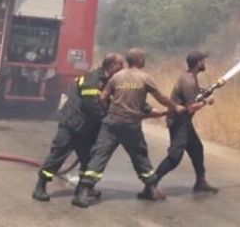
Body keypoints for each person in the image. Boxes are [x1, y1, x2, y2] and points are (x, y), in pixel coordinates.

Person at [72, 47, 186, 208]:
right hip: (131, 125)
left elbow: (103, 98)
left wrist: (108, 113)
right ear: (139, 60)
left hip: (111, 123)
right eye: (144, 58)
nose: (145, 60)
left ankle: (83, 192)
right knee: (140, 156)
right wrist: (175, 107)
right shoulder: (145, 78)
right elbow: (161, 97)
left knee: (99, 156)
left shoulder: (116, 77)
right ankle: (151, 189)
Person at [32, 52, 126, 202]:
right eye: (121, 64)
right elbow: (92, 105)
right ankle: (40, 188)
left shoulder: (109, 80)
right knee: (57, 156)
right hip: (72, 124)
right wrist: (106, 122)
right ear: (113, 65)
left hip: (87, 128)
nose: (123, 68)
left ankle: (83, 189)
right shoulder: (93, 79)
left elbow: (122, 99)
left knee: (88, 160)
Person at [152, 51, 220, 194]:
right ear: (198, 63)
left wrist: (208, 91)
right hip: (178, 122)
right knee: (175, 156)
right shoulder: (188, 81)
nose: (204, 63)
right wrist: (207, 101)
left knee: (197, 149)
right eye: (203, 61)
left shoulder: (189, 77)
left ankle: (201, 182)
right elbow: (190, 108)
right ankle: (152, 184)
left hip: (184, 122)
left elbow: (195, 96)